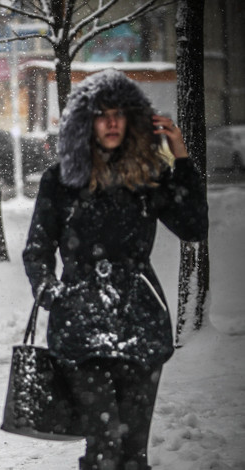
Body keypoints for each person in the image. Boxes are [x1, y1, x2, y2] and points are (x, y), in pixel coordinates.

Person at [22, 69, 209, 470]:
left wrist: (180, 154)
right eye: (101, 113)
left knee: (133, 455)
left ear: (132, 121)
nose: (110, 122)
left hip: (139, 324)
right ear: (84, 123)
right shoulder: (60, 181)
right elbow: (37, 250)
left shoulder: (148, 178)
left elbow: (194, 226)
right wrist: (52, 293)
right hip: (80, 329)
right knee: (103, 448)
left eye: (119, 113)